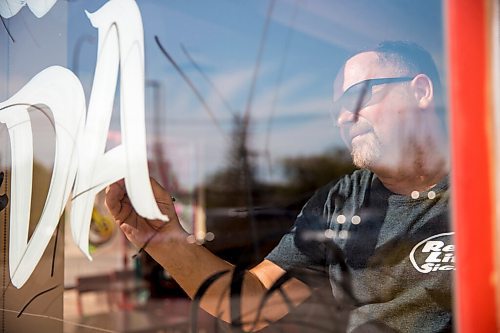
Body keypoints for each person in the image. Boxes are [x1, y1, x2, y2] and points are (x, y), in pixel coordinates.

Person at [105, 41, 452, 332]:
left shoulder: (485, 184)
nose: (344, 118)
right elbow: (250, 302)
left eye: (358, 97)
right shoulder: (340, 203)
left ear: (420, 91)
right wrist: (165, 239)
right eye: (336, 109)